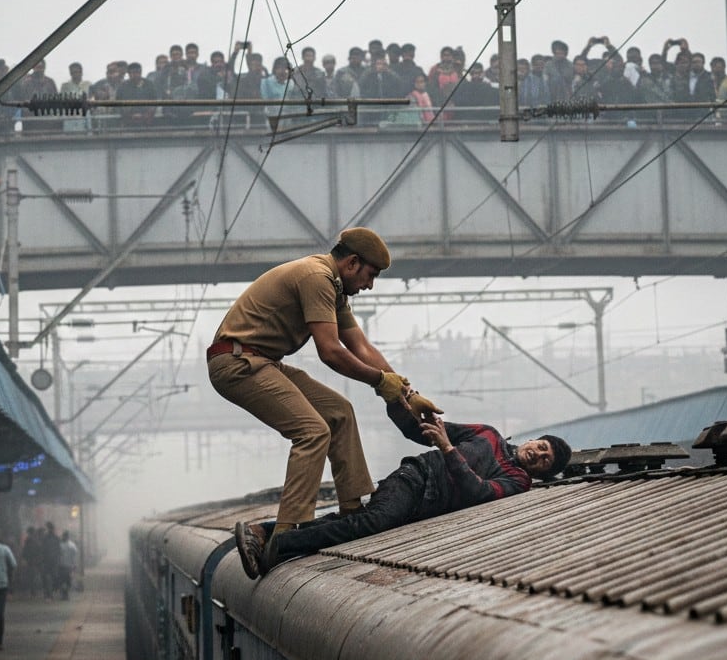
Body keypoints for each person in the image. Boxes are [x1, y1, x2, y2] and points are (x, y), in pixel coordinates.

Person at [207, 228, 413, 533]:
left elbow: (361, 347)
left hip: (262, 362)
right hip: (237, 363)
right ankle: (287, 531)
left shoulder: (335, 288)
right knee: (312, 432)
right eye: (371, 275)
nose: (369, 286)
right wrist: (381, 382)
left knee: (339, 412)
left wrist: (404, 392)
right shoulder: (316, 277)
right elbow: (330, 351)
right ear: (352, 263)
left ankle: (352, 509)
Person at [235, 398, 572, 580]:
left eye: (545, 459)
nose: (539, 454)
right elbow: (423, 430)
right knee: (371, 523)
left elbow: (479, 492)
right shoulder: (488, 433)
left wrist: (449, 450)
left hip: (424, 506)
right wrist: (397, 399)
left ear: (542, 472)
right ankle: (279, 545)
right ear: (533, 439)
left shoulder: (518, 482)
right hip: (415, 479)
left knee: (360, 522)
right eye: (541, 446)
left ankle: (264, 532)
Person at [58, 531, 79, 599]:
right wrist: (75, 565)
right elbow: (75, 556)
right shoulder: (72, 545)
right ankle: (65, 594)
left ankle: (64, 594)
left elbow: (58, 555)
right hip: (68, 566)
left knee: (63, 580)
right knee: (67, 580)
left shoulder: (60, 545)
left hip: (62, 566)